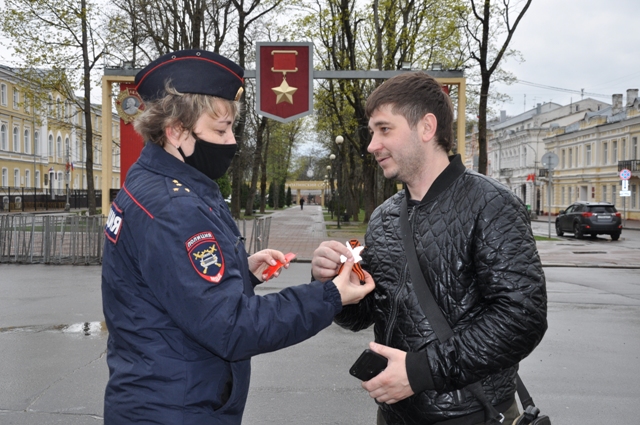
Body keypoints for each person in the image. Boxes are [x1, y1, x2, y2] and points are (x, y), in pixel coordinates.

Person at [101, 49, 375, 425]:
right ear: (176, 130)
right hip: (177, 408)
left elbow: (168, 285)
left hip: (162, 394)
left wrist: (239, 272)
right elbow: (230, 326)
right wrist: (331, 295)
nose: (231, 142)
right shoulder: (173, 207)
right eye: (219, 130)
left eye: (231, 128)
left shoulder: (154, 181)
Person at [311, 72, 547, 425]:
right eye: (372, 132)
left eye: (384, 129)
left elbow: (522, 318)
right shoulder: (384, 217)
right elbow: (365, 314)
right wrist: (330, 282)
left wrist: (421, 372)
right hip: (394, 413)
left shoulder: (492, 205)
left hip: (470, 414)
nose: (372, 145)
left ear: (426, 127)